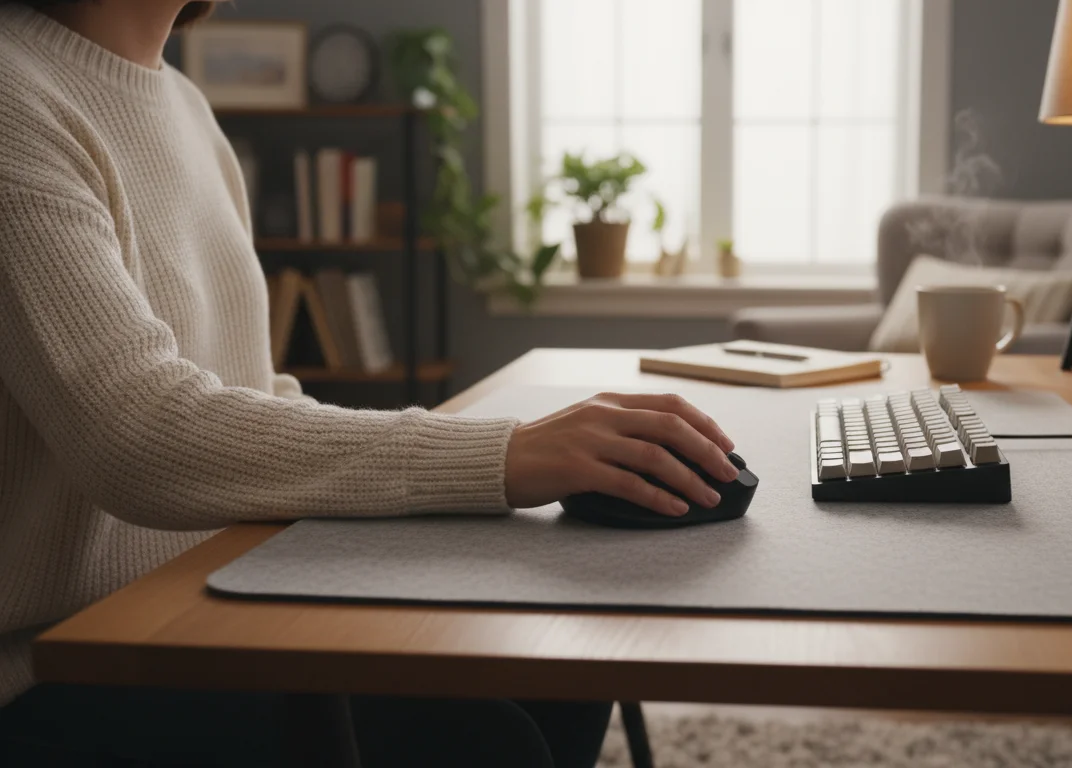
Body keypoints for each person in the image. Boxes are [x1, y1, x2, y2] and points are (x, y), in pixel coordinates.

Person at [0, 0, 739, 764]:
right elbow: (139, 434)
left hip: (218, 593)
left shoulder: (184, 104)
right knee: (486, 744)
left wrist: (509, 462)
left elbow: (254, 391)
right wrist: (502, 455)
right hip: (56, 662)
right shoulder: (14, 99)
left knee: (552, 662)